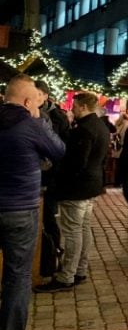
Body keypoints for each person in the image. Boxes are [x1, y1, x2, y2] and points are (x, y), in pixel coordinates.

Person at [0, 74, 66, 330]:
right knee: (17, 276)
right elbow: (59, 150)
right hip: (20, 210)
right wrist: (39, 119)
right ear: (28, 101)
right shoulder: (29, 124)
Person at [35, 92, 110, 292]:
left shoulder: (84, 130)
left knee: (73, 231)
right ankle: (80, 269)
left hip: (77, 188)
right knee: (83, 228)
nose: (72, 109)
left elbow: (76, 163)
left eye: (75, 106)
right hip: (91, 185)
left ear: (84, 107)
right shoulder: (100, 126)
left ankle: (66, 275)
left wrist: (58, 176)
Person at [34, 80, 70, 278]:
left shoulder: (55, 117)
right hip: (39, 176)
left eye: (37, 94)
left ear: (45, 96)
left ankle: (53, 248)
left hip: (50, 176)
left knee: (48, 216)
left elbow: (58, 149)